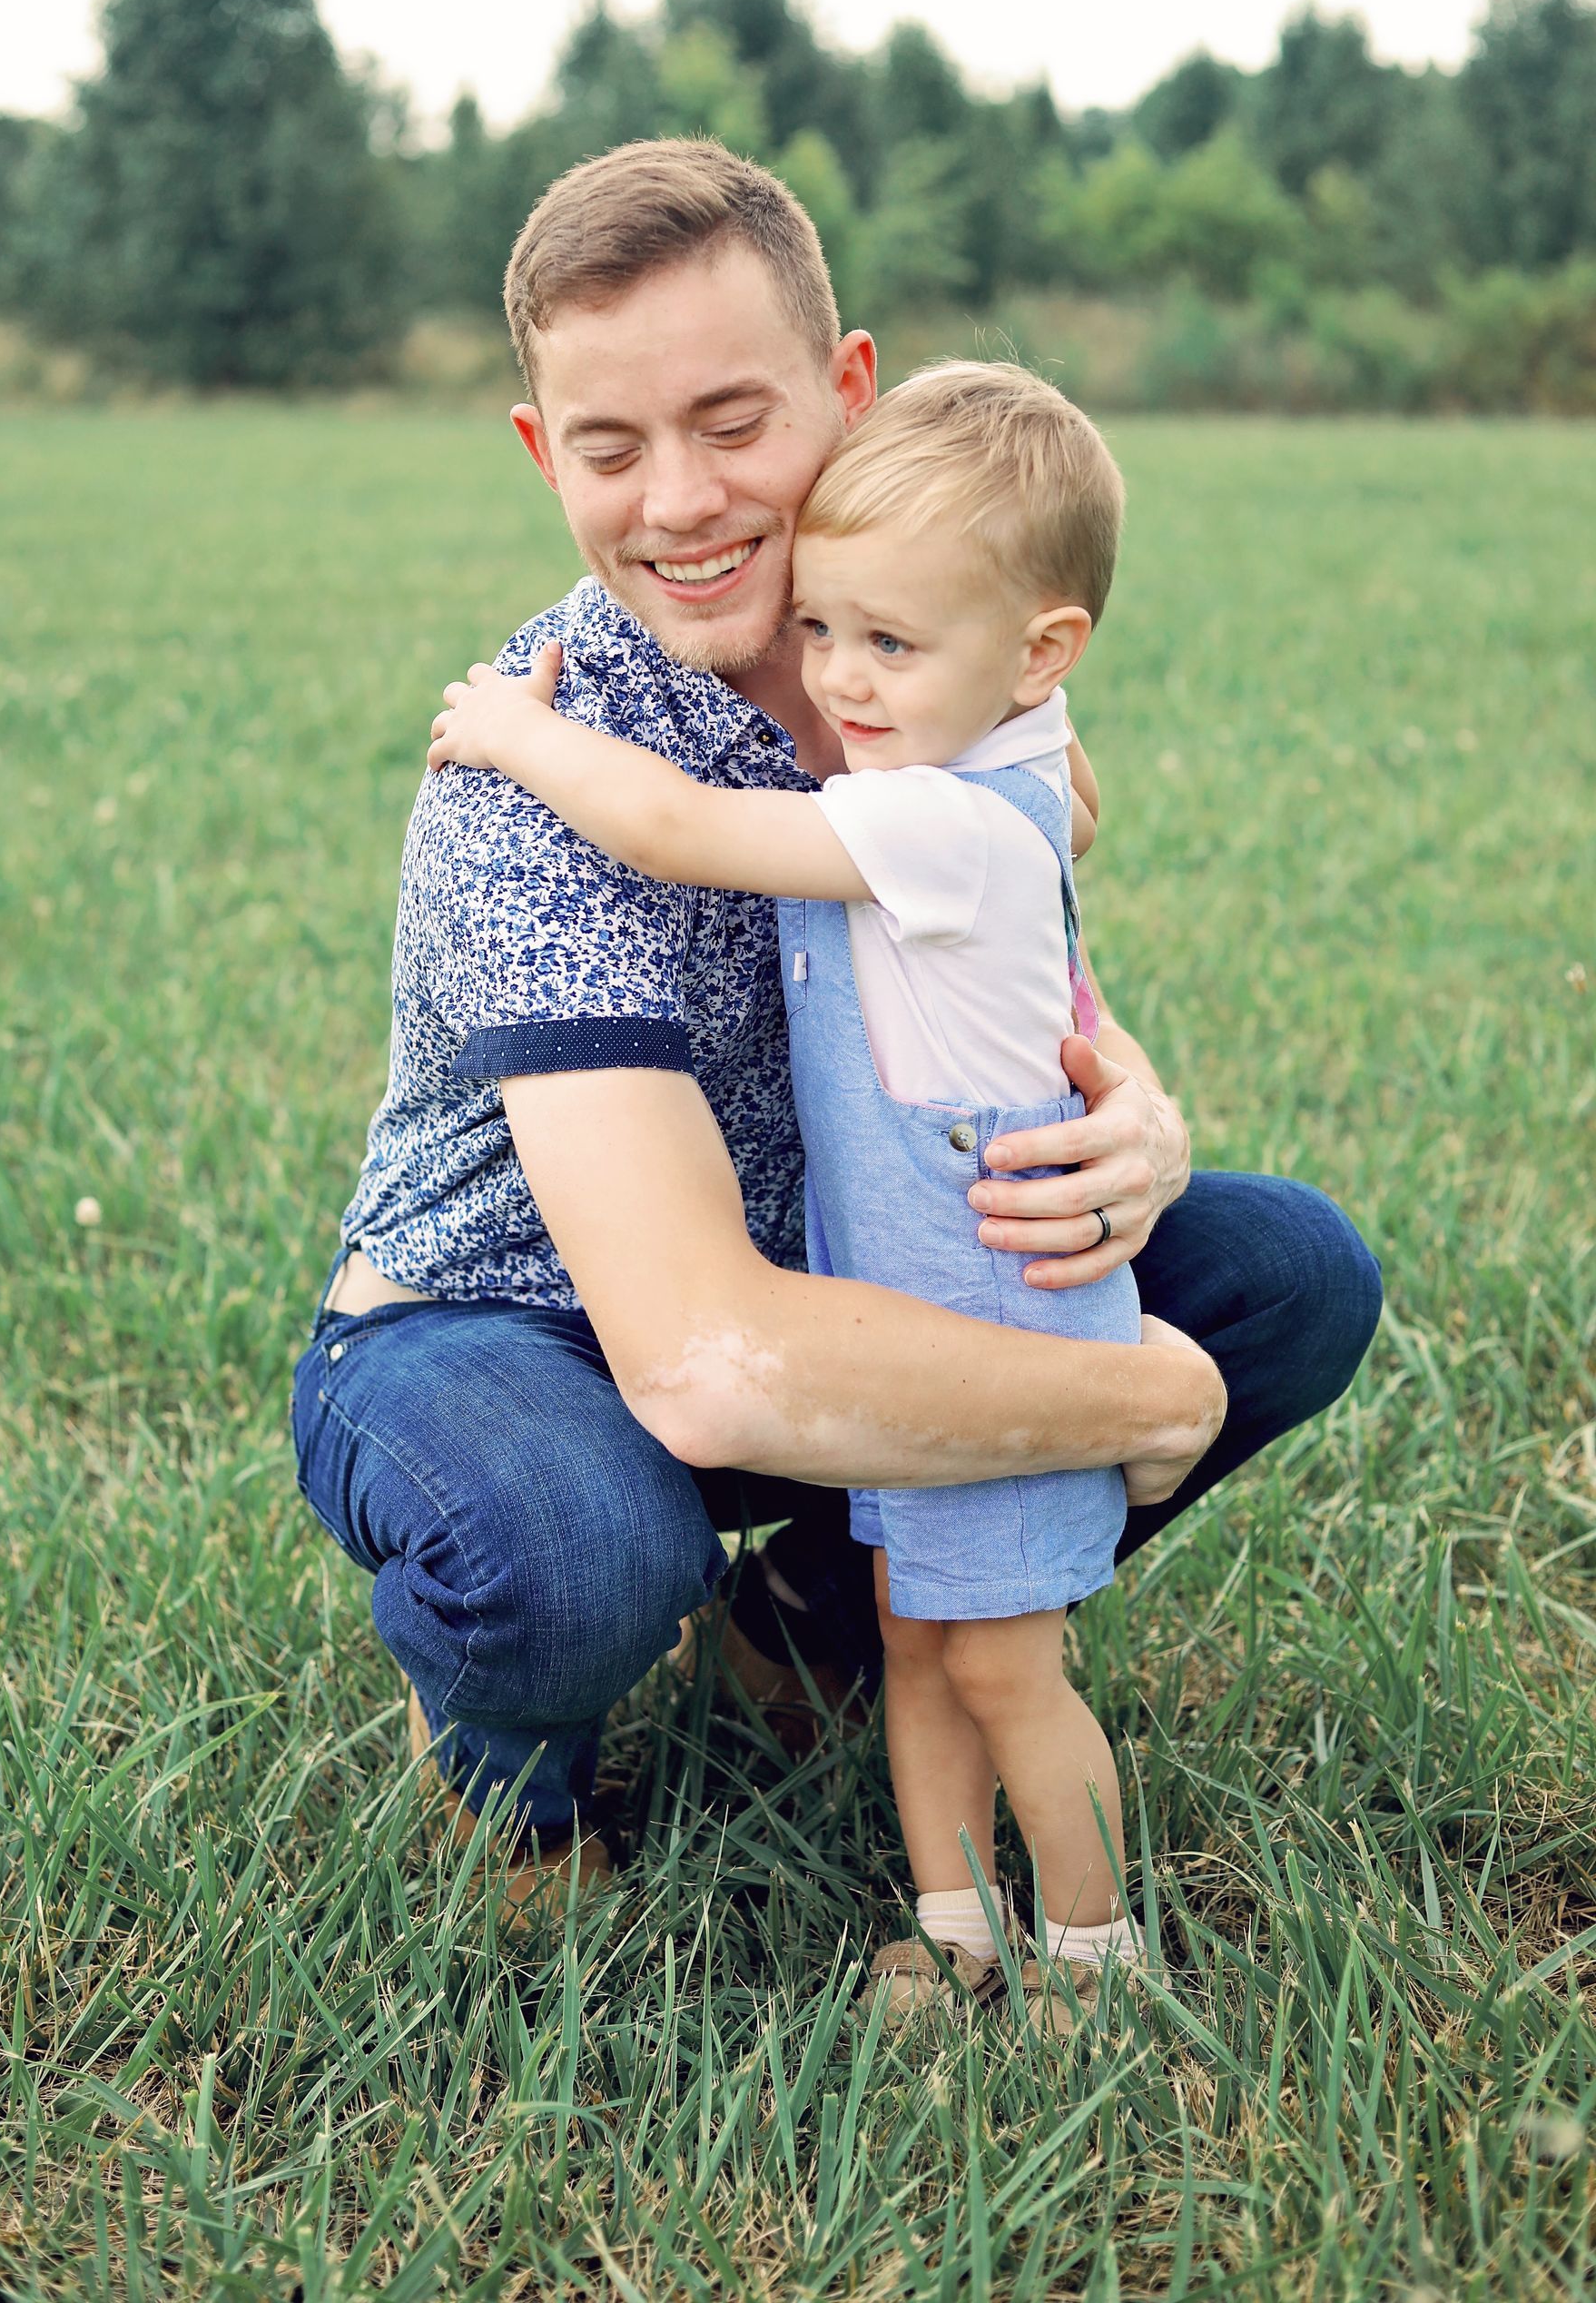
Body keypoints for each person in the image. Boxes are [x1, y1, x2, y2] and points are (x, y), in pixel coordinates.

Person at [291, 139, 1382, 1920]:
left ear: (850, 390)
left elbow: (1019, 953)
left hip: (849, 1265)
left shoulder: (943, 682)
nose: (682, 501)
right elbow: (701, 1357)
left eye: (736, 423)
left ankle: (797, 1641)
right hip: (515, 1335)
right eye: (611, 446)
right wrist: (1133, 1392)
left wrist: (1141, 1121)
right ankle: (512, 1776)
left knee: (1280, 1273)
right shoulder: (536, 767)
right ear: (536, 451)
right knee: (573, 1543)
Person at [428, 360, 1167, 2028]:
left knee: (1002, 1666)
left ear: (1038, 656)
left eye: (887, 645)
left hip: (985, 1305)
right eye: (825, 633)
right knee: (916, 1650)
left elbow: (687, 829)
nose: (836, 677)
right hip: (900, 1297)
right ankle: (955, 1925)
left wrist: (514, 733)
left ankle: (1093, 1953)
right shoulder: (989, 756)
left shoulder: (946, 823)